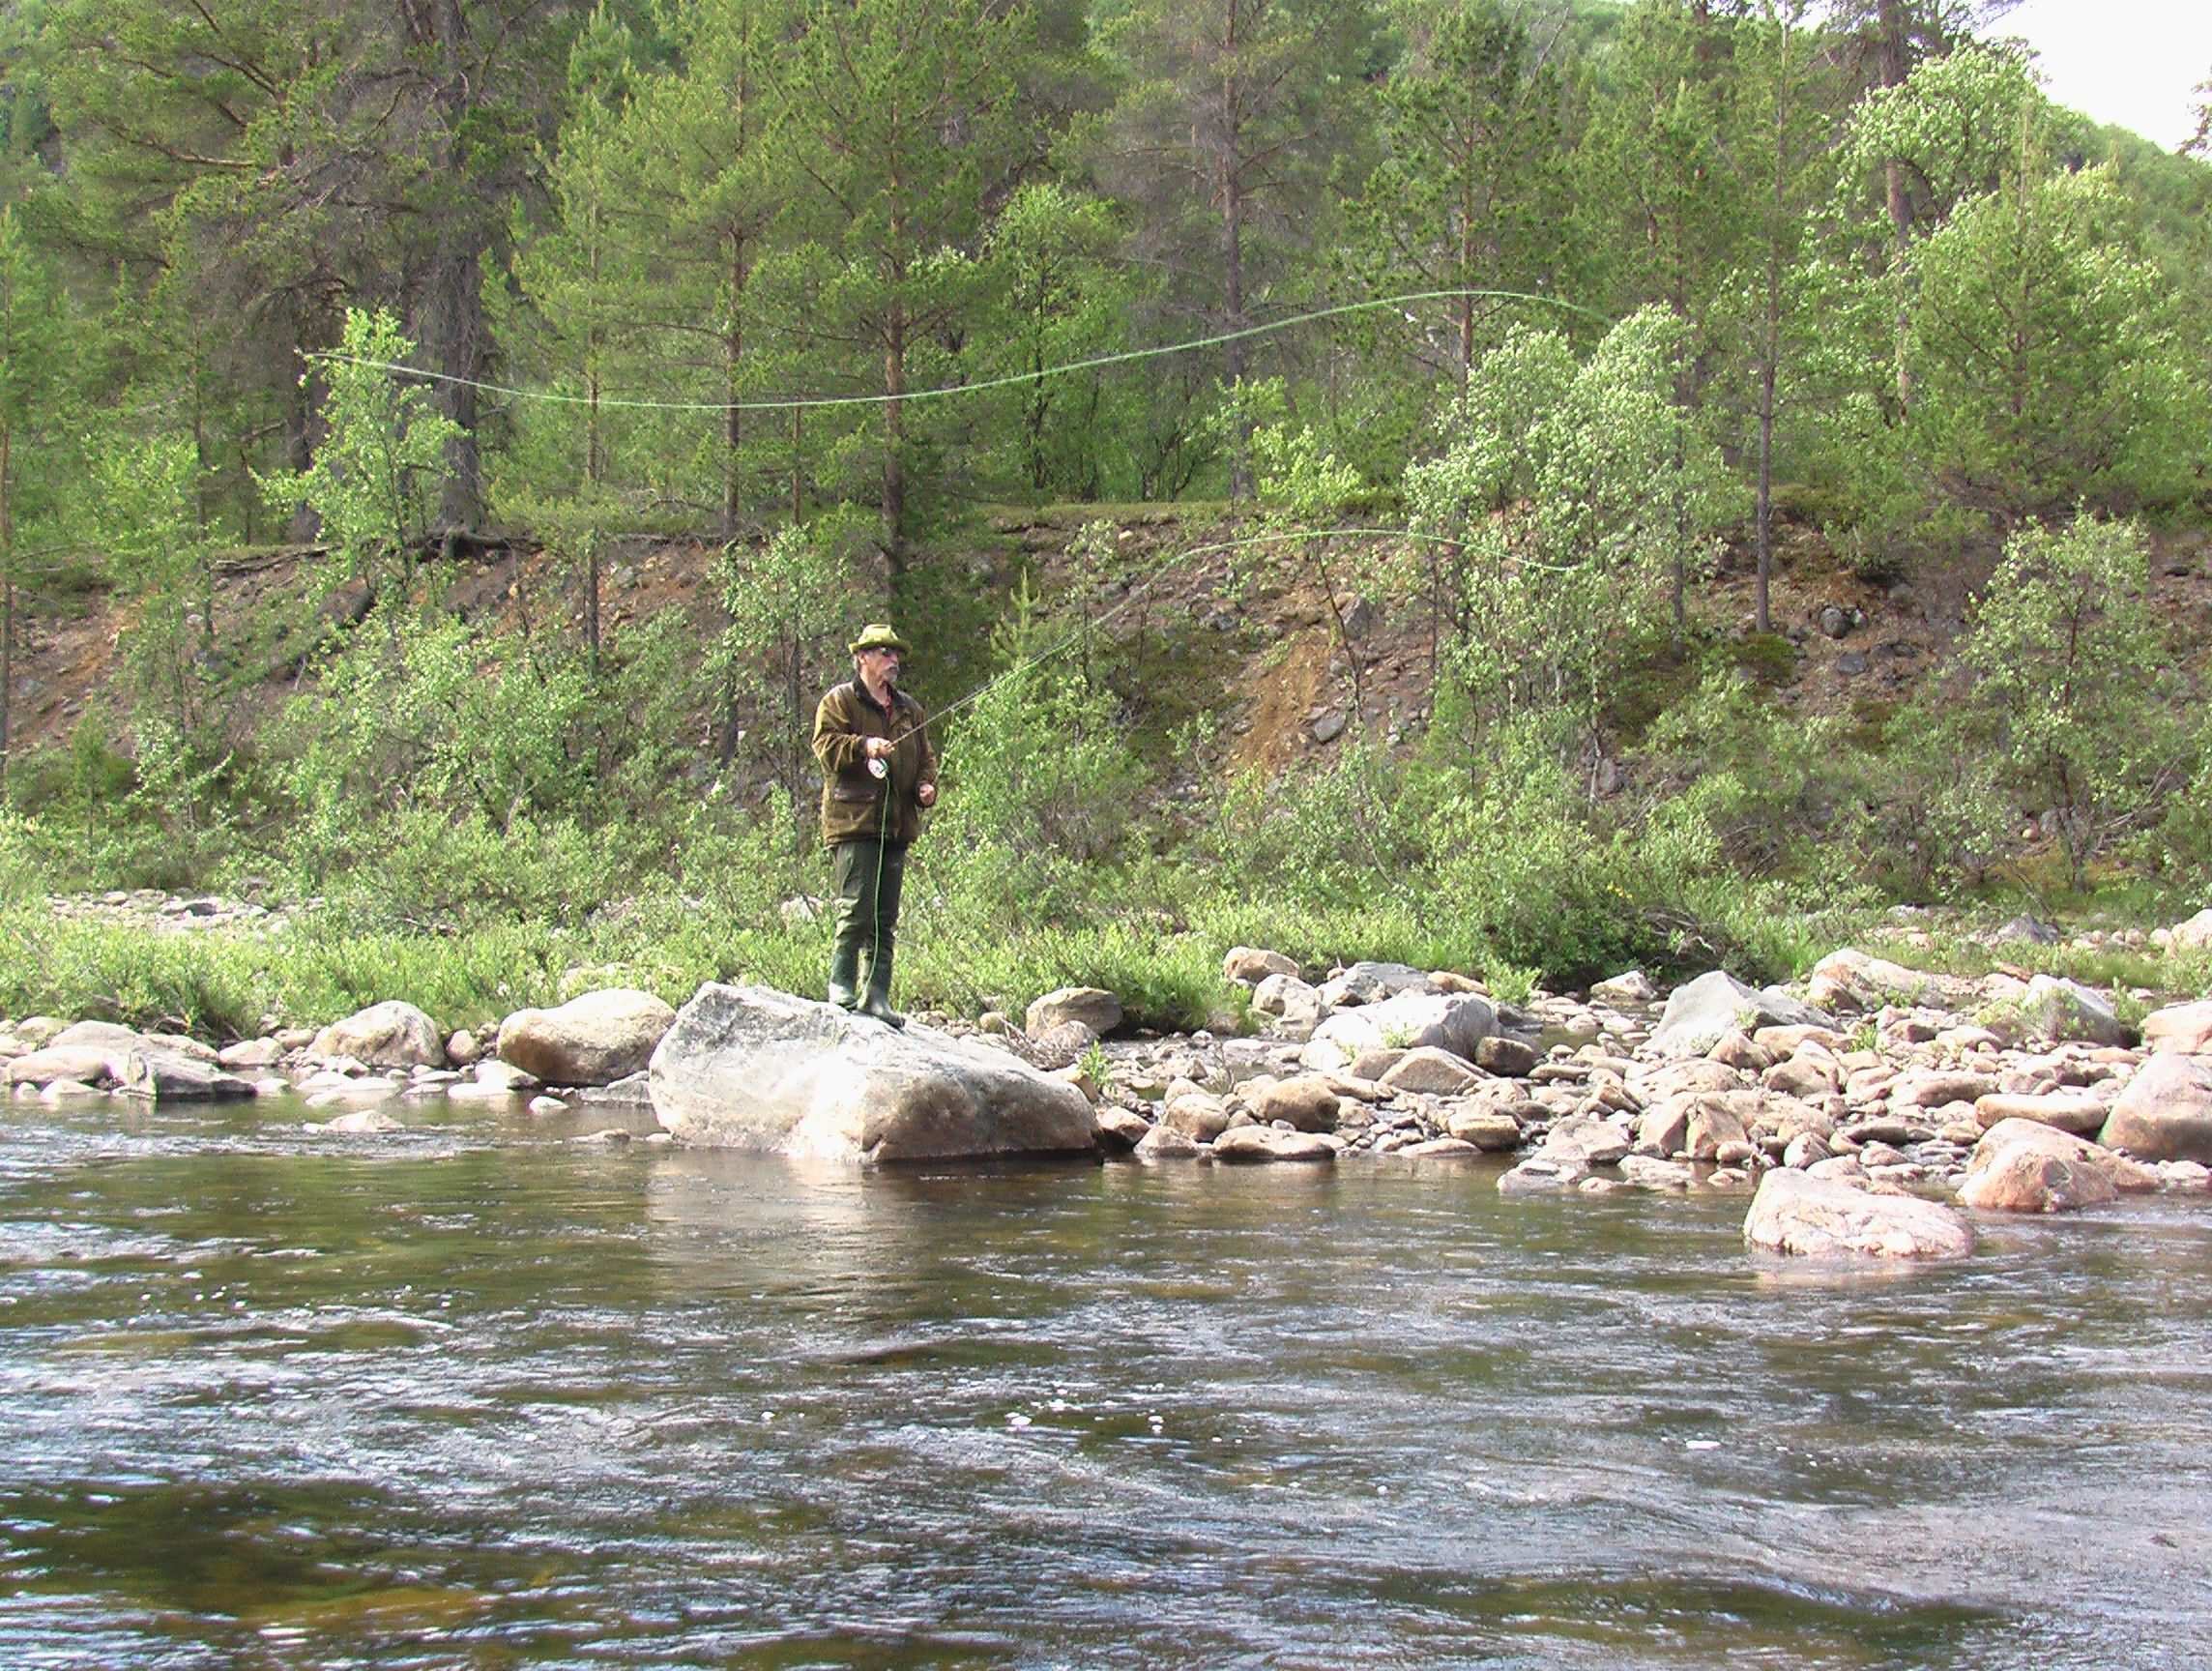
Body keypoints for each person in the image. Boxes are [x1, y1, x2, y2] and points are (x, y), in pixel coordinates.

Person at [811, 624, 939, 1026]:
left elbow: (926, 756)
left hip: (897, 824)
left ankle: (877, 995)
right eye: (884, 653)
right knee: (856, 908)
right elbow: (825, 748)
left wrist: (926, 784)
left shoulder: (909, 709)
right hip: (855, 821)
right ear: (863, 658)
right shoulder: (840, 701)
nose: (893, 660)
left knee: (886, 916)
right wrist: (863, 745)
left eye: (895, 653)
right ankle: (841, 986)